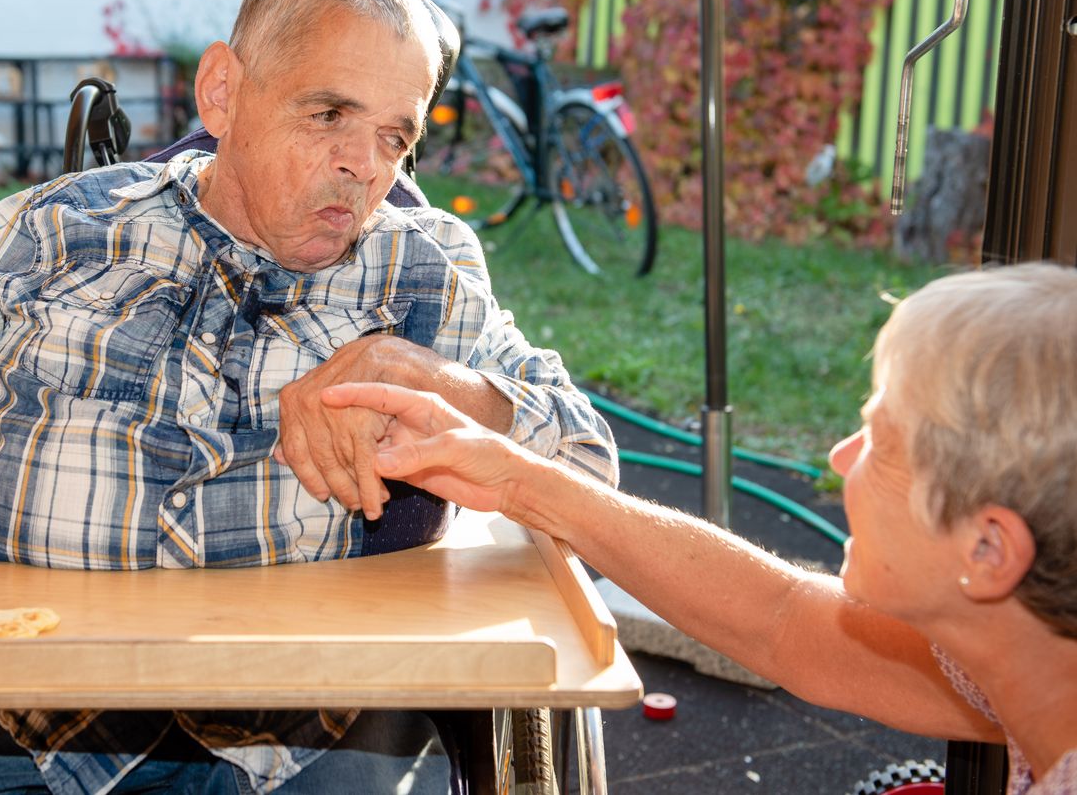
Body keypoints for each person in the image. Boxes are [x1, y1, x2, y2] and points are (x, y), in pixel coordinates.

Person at [0, 0, 617, 795]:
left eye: (394, 135)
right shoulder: (59, 228)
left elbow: (586, 461)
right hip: (9, 711)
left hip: (302, 735)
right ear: (222, 91)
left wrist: (426, 379)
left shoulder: (424, 271)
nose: (365, 165)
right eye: (329, 114)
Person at [323, 262, 1077, 794]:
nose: (840, 458)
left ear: (988, 548)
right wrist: (519, 480)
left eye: (882, 443)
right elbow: (786, 620)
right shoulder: (1025, 659)